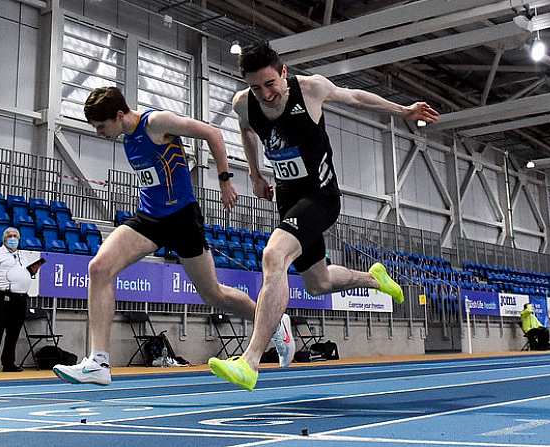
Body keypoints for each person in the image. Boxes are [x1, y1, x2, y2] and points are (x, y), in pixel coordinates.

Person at [208, 42, 441, 390]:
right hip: (287, 199)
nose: (265, 94)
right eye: (256, 87)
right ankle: (375, 279)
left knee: (273, 255)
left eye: (270, 84)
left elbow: (357, 98)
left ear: (283, 72)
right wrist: (255, 174)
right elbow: (245, 129)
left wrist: (403, 109)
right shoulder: (244, 102)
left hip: (321, 196)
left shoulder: (311, 88)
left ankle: (250, 361)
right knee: (319, 284)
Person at [52, 86, 296, 386]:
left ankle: (274, 323)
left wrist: (224, 181)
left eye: (102, 127)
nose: (100, 133)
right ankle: (98, 362)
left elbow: (213, 134)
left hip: (182, 218)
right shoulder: (127, 137)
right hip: (150, 218)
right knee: (99, 268)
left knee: (214, 294)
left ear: (118, 115)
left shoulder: (156, 123)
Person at [0, 227, 43, 373]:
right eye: (10, 236)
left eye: (15, 236)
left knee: (14, 332)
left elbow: (25, 273)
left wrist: (33, 270)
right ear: (4, 238)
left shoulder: (23, 255)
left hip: (19, 297)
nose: (13, 238)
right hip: (1, 295)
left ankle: (8, 362)